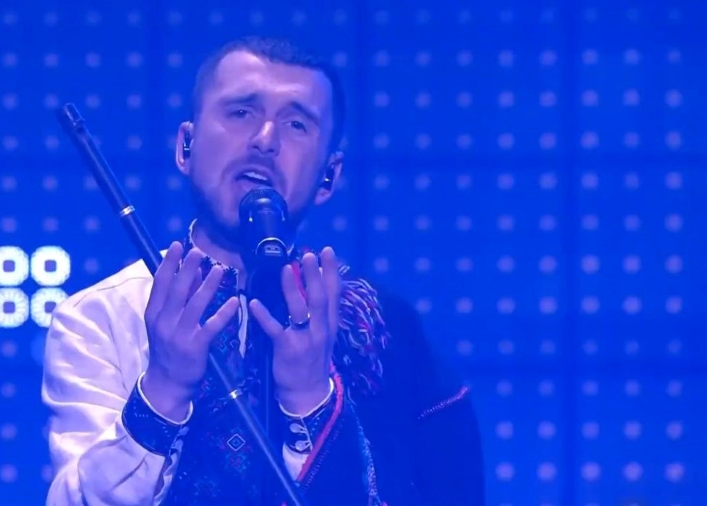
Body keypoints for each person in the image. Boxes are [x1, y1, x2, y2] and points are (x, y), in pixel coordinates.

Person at [42, 35, 485, 506]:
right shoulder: (100, 316)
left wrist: (310, 399)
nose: (265, 140)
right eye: (241, 113)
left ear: (329, 177)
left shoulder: (378, 325)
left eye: (296, 124)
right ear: (186, 146)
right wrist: (164, 389)